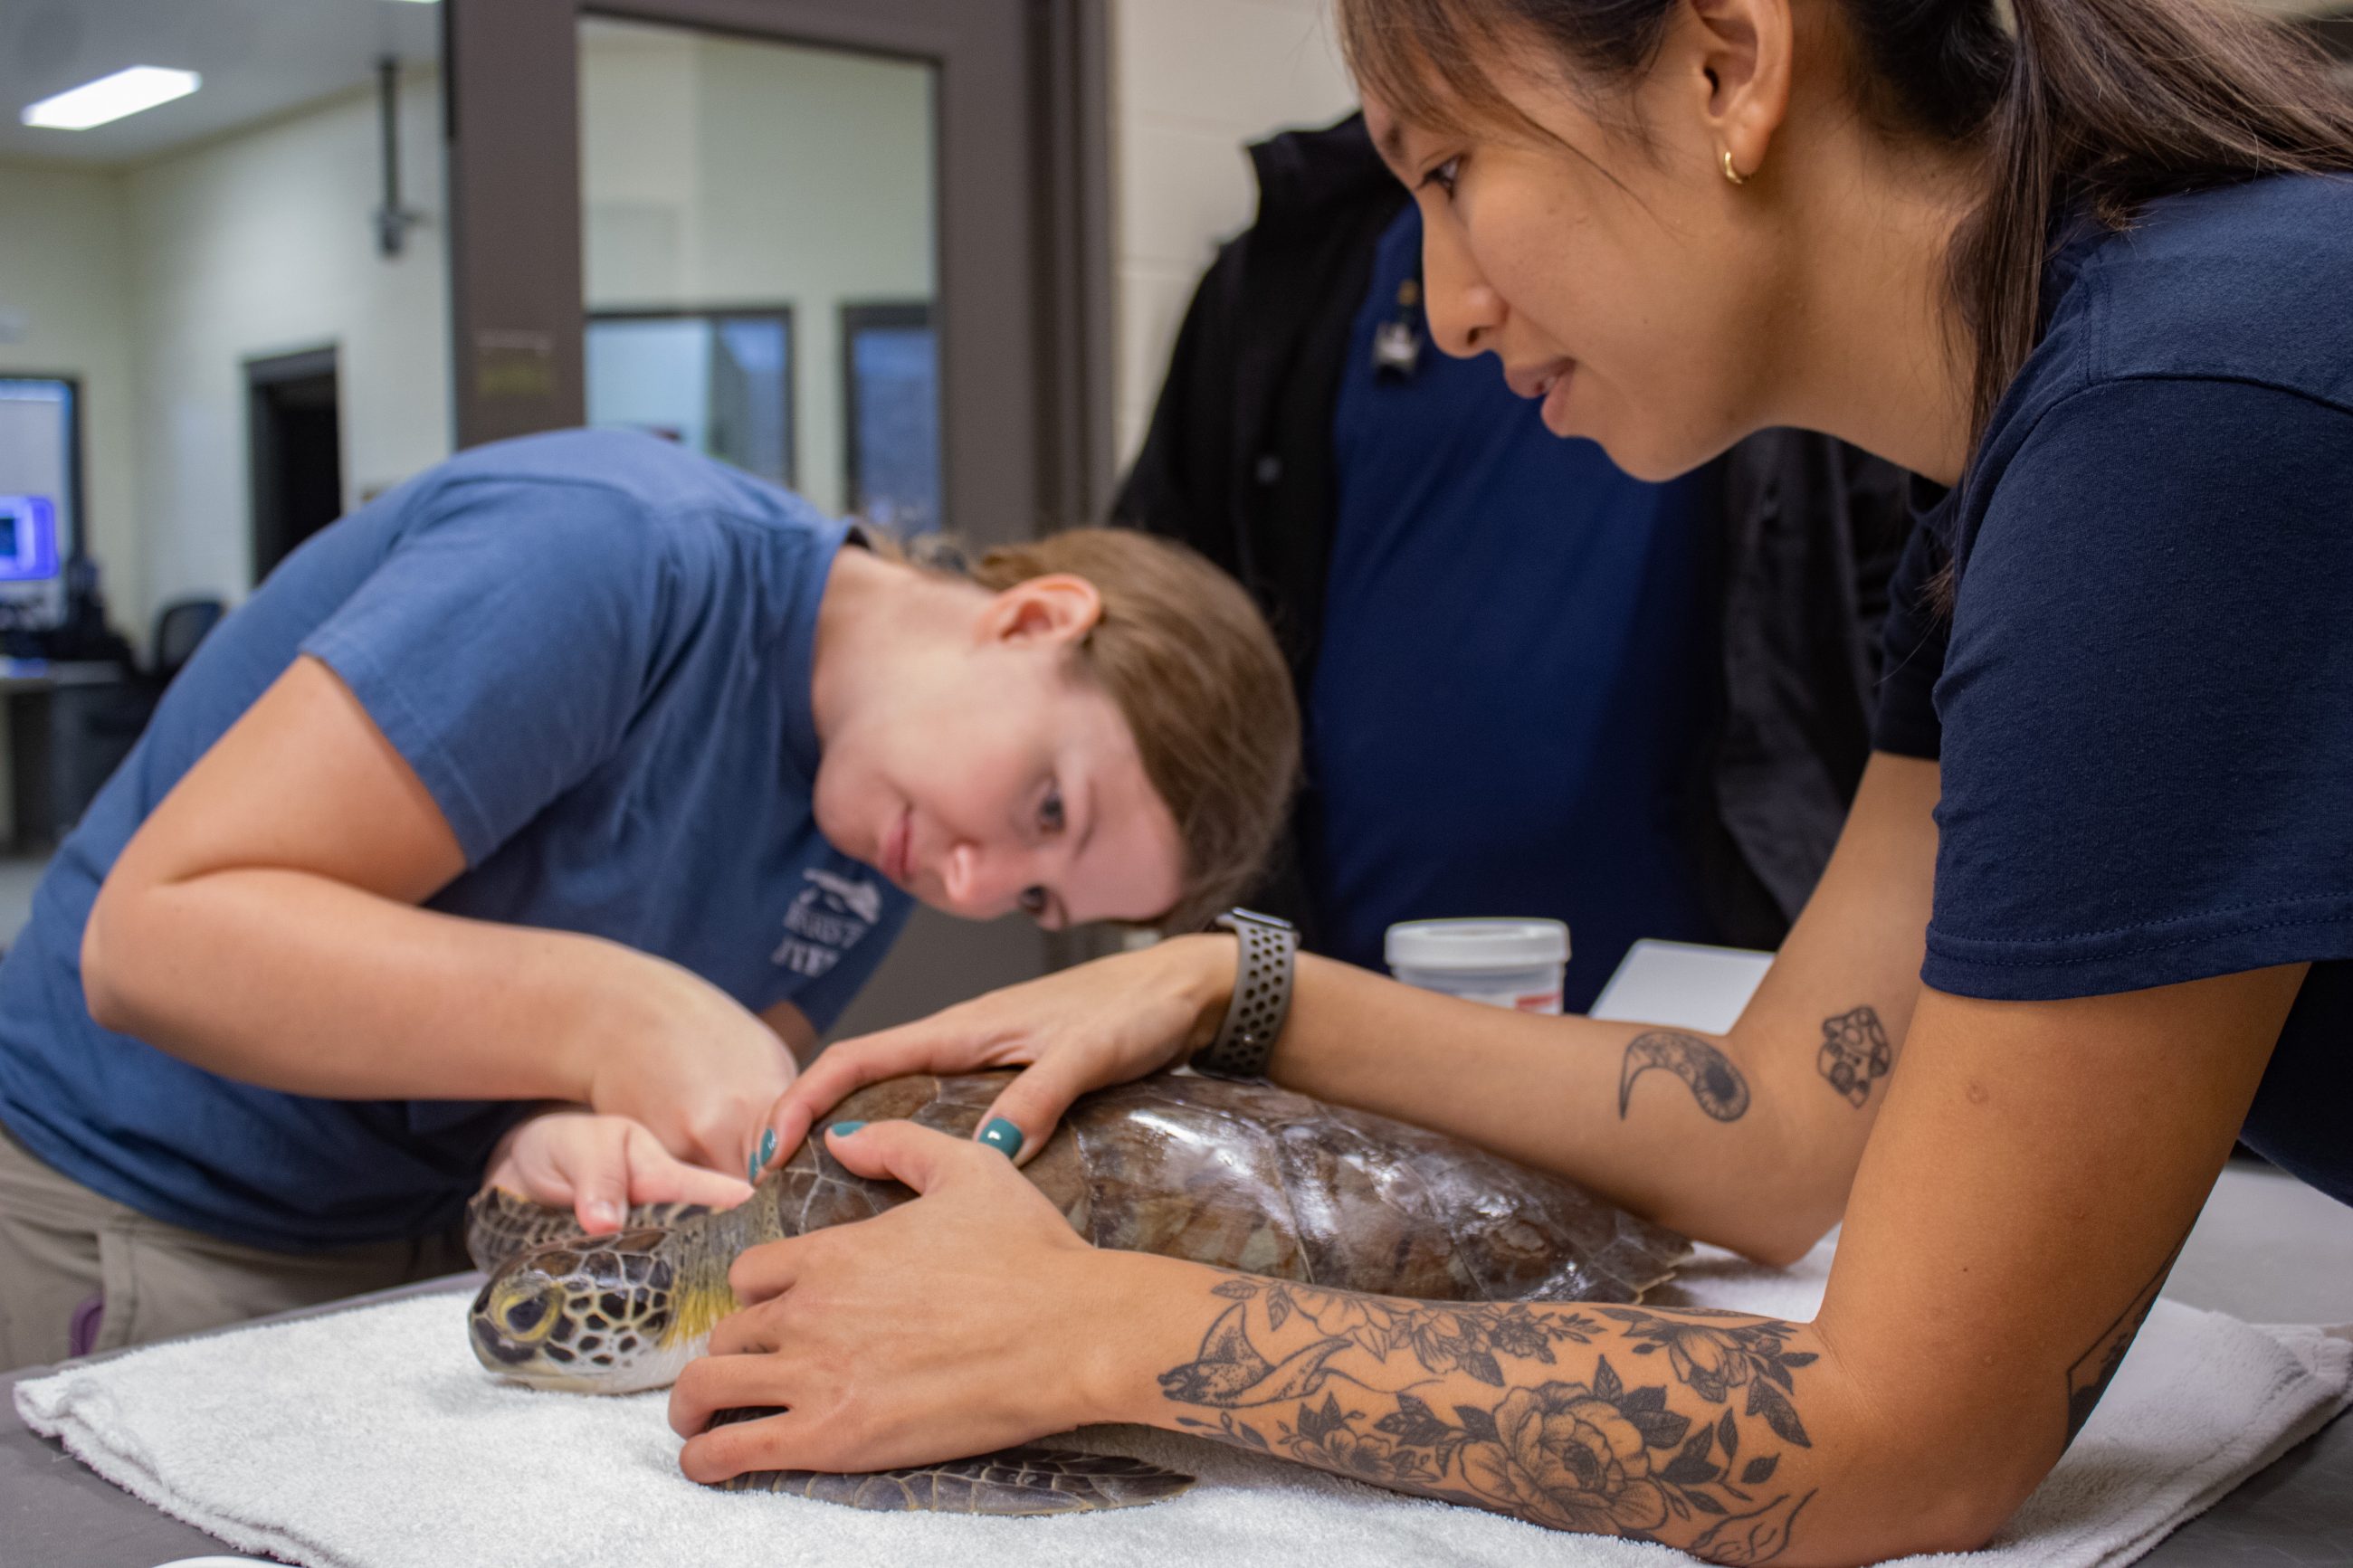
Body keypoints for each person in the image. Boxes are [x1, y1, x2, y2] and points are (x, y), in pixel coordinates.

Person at [681, 2, 2353, 1561]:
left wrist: (1093, 1329)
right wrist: (1232, 982)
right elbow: (1775, 1133)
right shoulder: (2014, 501)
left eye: (1455, 173)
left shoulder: (2178, 424)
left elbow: (1909, 1431)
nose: (1452, 302)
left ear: (1728, 64)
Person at [0, 427, 1297, 1373]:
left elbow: (602, 1118)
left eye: (1031, 892)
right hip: (132, 1214)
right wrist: (611, 1014)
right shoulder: (608, 555)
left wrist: (559, 1140)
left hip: (406, 1249)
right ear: (1032, 621)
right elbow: (152, 942)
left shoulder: (888, 823)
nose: (967, 882)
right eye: (1047, 808)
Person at [1118, 112, 1912, 999]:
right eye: (1431, 177)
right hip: (1353, 1005)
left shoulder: (1799, 297)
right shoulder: (1292, 270)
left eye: (1455, 172)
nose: (1465, 311)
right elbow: (1156, 606)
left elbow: (1899, 624)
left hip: (1706, 1005)